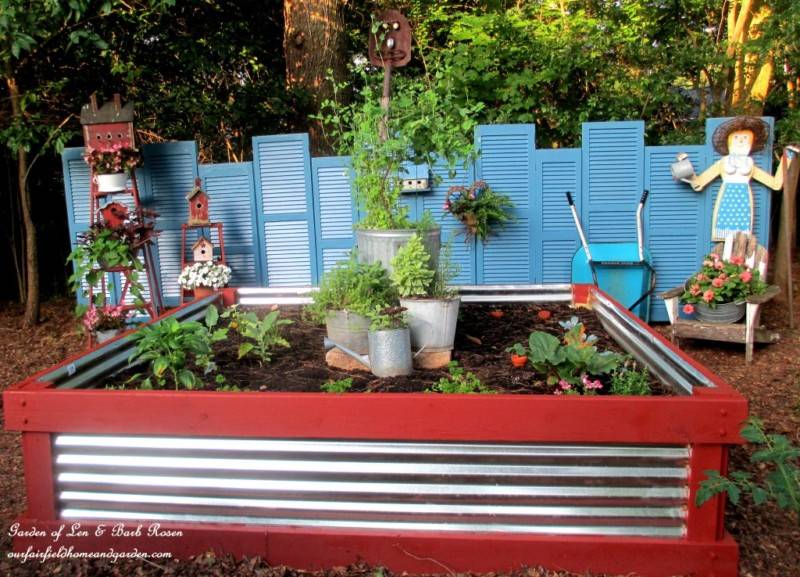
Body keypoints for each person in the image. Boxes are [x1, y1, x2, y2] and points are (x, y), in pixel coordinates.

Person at [680, 116, 796, 241]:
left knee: (741, 238)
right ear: (729, 142)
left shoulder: (749, 164)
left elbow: (775, 184)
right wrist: (686, 171)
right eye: (736, 138)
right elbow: (700, 182)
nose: (740, 141)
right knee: (725, 236)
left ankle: (735, 260)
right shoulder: (724, 162)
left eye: (745, 138)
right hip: (727, 199)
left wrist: (787, 159)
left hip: (743, 200)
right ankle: (721, 260)